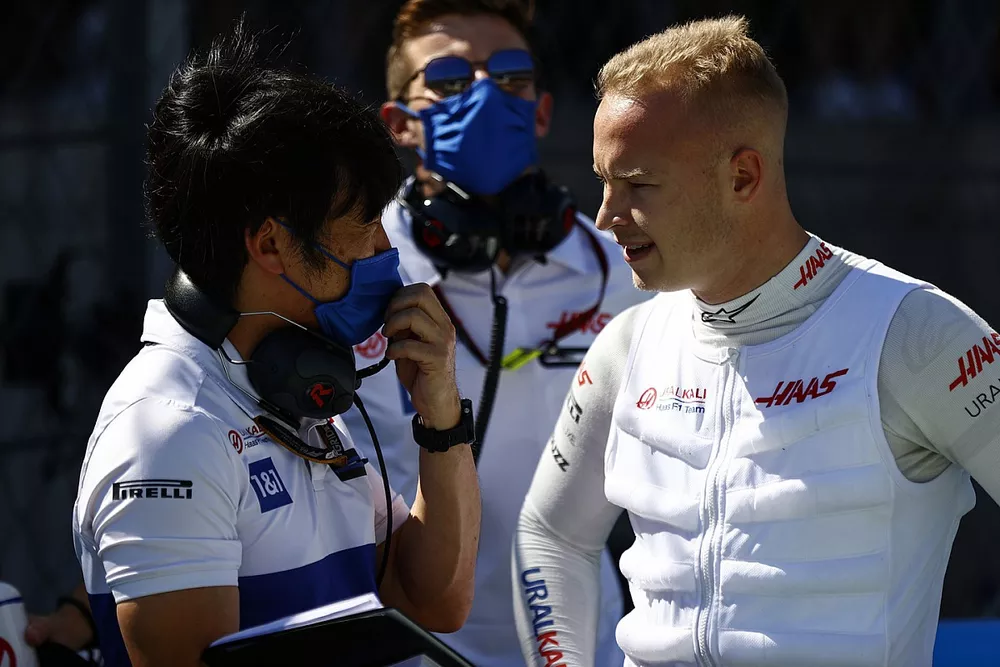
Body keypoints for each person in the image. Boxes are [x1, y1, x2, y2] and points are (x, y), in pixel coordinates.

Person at [512, 15, 1000, 667]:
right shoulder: (625, 346)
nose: (606, 214)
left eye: (638, 184)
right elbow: (548, 533)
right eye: (604, 181)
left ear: (744, 177)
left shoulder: (917, 332)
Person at [71, 22, 480, 667]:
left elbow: (432, 604)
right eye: (366, 226)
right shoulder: (173, 432)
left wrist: (442, 421)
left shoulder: (288, 383)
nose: (385, 251)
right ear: (271, 246)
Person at [339, 1, 647, 664]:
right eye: (448, 81)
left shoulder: (623, 270)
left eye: (510, 76)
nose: (483, 94)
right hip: (406, 652)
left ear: (540, 111)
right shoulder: (349, 272)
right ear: (399, 123)